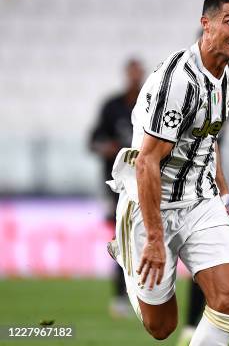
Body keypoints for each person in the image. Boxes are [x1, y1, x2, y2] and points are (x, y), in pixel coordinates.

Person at [106, 0, 229, 345]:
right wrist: (155, 238)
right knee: (162, 328)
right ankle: (129, 251)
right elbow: (147, 162)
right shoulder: (178, 81)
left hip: (200, 201)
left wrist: (222, 186)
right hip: (150, 203)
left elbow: (208, 135)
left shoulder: (228, 74)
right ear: (206, 24)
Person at [178, 78, 229, 346]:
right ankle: (192, 323)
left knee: (213, 253)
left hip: (215, 172)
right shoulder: (187, 85)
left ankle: (195, 325)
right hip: (183, 179)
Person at [89, 58, 145, 318]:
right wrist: (107, 148)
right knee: (122, 239)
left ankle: (143, 294)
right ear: (126, 75)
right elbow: (93, 142)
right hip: (118, 187)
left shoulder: (151, 102)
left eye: (138, 73)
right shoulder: (111, 107)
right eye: (131, 73)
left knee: (143, 240)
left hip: (148, 184)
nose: (135, 78)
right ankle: (121, 296)